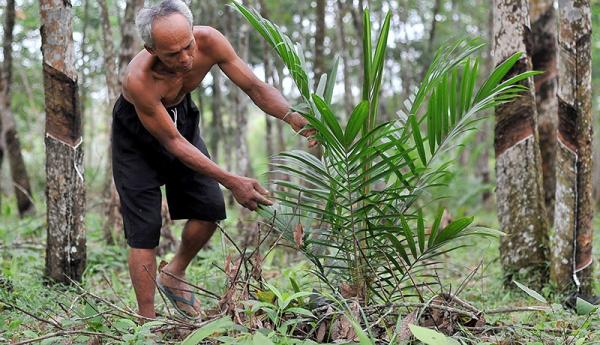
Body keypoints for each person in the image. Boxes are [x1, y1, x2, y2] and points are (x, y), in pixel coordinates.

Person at [112, 0, 315, 319]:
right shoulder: (139, 79)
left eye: (187, 46)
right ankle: (146, 320)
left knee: (208, 208)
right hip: (136, 138)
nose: (185, 58)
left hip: (179, 118)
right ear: (151, 50)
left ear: (193, 33)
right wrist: (233, 181)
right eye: (172, 54)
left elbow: (254, 87)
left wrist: (291, 116)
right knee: (144, 229)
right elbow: (172, 143)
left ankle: (174, 272)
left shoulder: (211, 41)